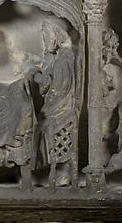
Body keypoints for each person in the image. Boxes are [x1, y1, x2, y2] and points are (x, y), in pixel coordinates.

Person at [33, 17, 77, 190]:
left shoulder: (63, 60)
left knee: (37, 126)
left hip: (61, 109)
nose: (44, 39)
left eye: (47, 34)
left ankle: (54, 171)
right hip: (57, 105)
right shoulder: (60, 57)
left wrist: (39, 78)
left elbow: (58, 88)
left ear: (58, 35)